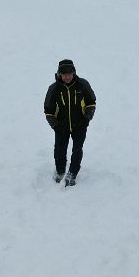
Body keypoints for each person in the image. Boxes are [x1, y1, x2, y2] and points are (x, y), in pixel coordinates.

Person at [43, 58, 96, 186]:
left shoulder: (82, 84)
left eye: (69, 74)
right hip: (61, 126)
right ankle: (60, 170)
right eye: (64, 74)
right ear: (59, 75)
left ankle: (72, 173)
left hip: (80, 124)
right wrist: (55, 125)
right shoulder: (54, 89)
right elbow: (48, 110)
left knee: (77, 149)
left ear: (74, 73)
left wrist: (86, 117)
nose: (67, 77)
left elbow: (91, 102)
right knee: (59, 150)